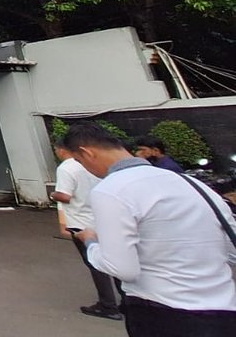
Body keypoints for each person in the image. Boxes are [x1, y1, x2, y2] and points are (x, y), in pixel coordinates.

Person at [63, 123, 236, 336]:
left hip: (161, 312)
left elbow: (122, 268)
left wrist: (90, 242)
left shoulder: (111, 189)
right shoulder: (193, 184)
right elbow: (231, 249)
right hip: (225, 311)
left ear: (87, 153)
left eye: (80, 161)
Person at [51, 142, 122, 321]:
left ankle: (108, 305)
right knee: (115, 261)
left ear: (61, 150)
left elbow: (64, 196)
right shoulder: (93, 164)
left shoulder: (66, 168)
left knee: (95, 263)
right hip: (102, 219)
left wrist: (53, 195)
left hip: (80, 223)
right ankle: (127, 301)